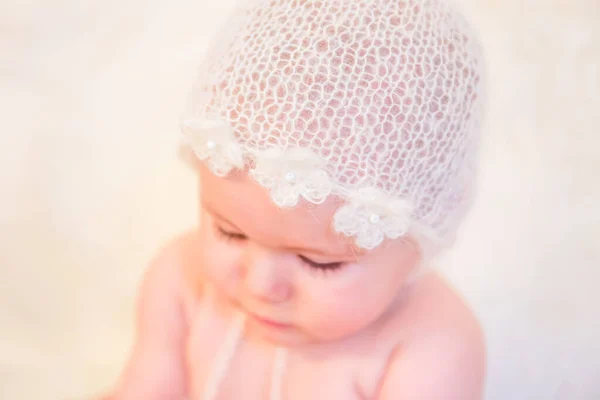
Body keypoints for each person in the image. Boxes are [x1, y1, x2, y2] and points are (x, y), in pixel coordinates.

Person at [105, 0, 488, 398]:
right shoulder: (181, 282)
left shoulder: (431, 344)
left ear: (419, 243)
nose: (262, 285)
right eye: (230, 233)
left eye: (318, 262)